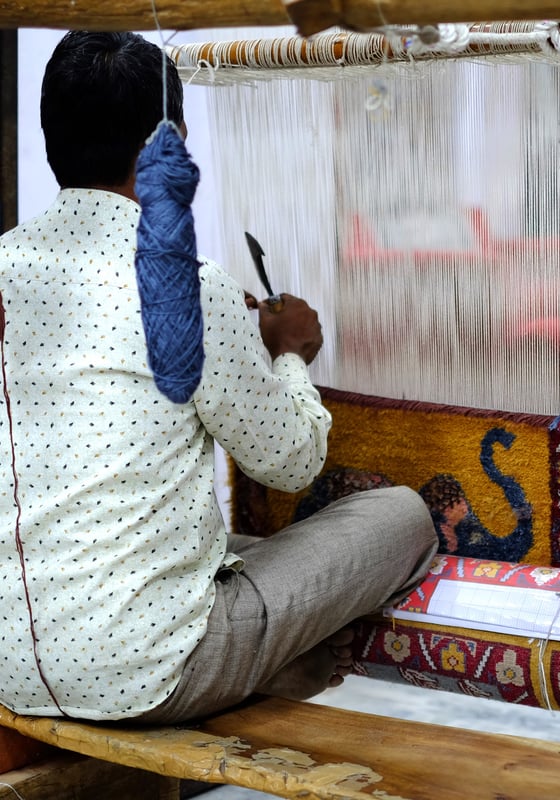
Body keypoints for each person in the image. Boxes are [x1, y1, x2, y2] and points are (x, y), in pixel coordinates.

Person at [0, 31, 438, 724]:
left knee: (203, 547)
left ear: (52, 134)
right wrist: (290, 354)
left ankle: (270, 665)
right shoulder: (189, 288)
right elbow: (293, 460)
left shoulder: (5, 265)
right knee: (401, 517)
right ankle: (276, 668)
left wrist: (237, 339)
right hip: (144, 677)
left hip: (9, 665)